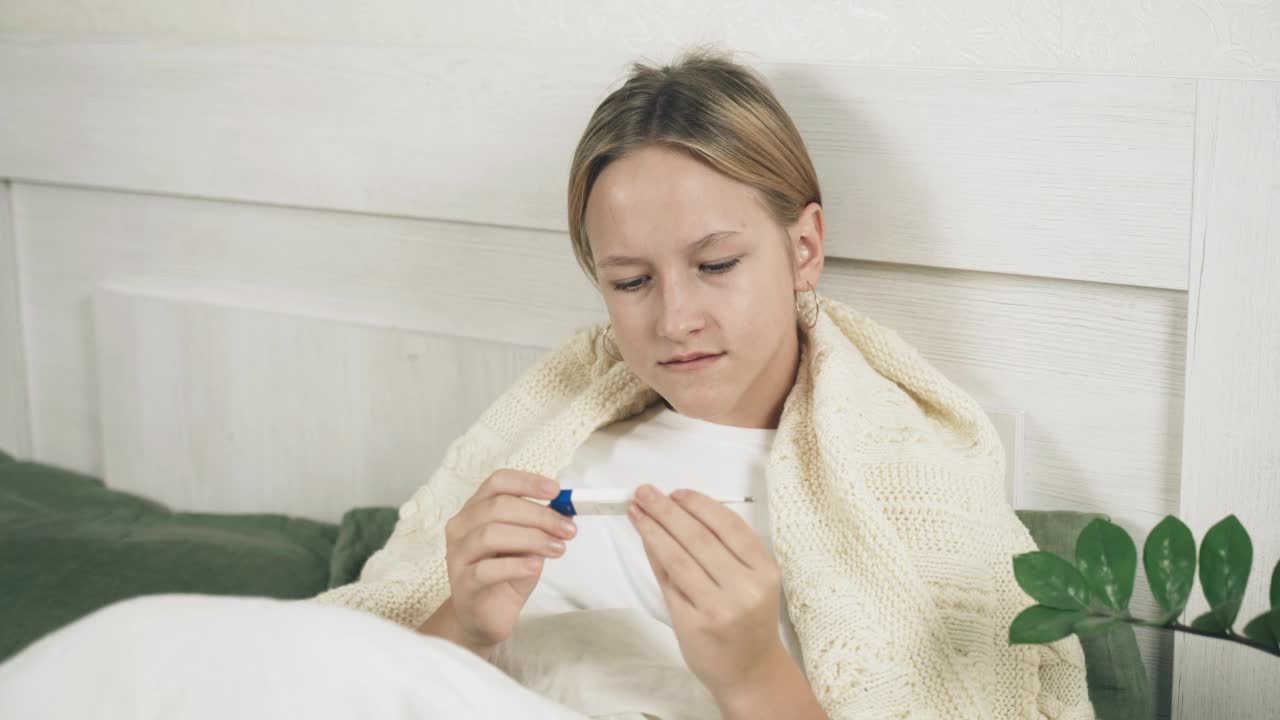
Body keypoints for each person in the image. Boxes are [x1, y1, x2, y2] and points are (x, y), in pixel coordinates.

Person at [0, 45, 1095, 720]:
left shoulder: (902, 484)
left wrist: (752, 671)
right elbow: (372, 679)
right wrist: (465, 620)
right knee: (138, 643)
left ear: (803, 247)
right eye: (627, 280)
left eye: (716, 265)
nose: (673, 320)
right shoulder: (547, 441)